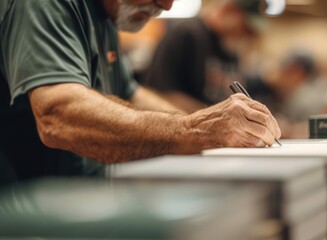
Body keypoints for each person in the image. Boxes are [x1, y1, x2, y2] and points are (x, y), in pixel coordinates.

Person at [0, 0, 281, 184]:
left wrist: (218, 129)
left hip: (81, 204)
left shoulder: (105, 18)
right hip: (26, 215)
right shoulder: (44, 4)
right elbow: (59, 116)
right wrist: (194, 130)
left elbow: (133, 94)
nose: (167, 5)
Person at [143, 0, 263, 112]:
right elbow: (161, 94)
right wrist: (216, 116)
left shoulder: (231, 50)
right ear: (229, 10)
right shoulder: (186, 34)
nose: (245, 35)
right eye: (245, 27)